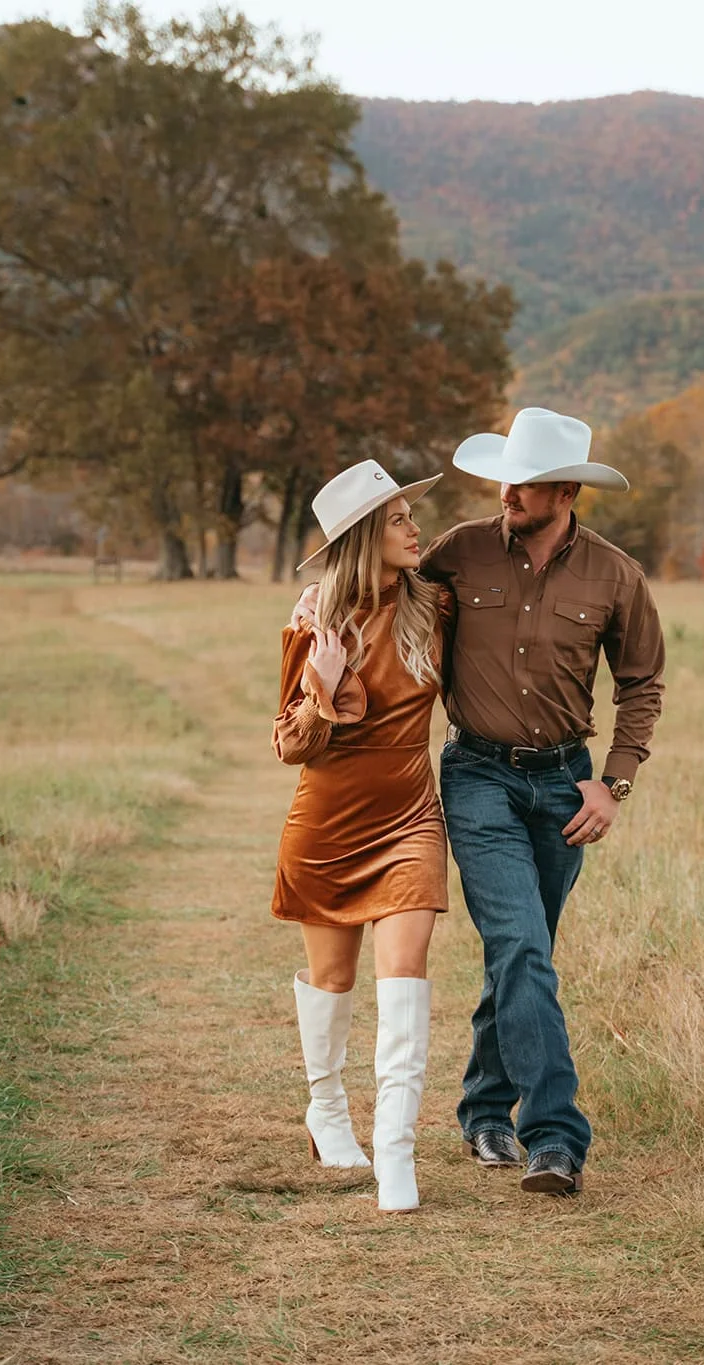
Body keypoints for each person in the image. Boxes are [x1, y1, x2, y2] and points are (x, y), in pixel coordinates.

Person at [296, 407, 666, 1196]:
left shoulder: (616, 576)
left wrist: (615, 781)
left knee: (522, 954)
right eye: (504, 478)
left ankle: (485, 1105)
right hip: (479, 777)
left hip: (567, 784)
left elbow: (642, 684)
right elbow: (378, 582)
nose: (506, 493)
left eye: (524, 484)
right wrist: (315, 616)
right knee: (520, 944)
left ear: (566, 491)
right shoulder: (459, 550)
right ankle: (556, 1136)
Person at [272, 458, 451, 1214]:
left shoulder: (435, 603)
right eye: (399, 520)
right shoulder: (314, 619)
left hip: (412, 812)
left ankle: (398, 1153)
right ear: (363, 537)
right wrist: (320, 684)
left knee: (404, 972)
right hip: (329, 821)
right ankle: (327, 1111)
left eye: (412, 517)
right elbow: (289, 744)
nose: (416, 529)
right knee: (335, 981)